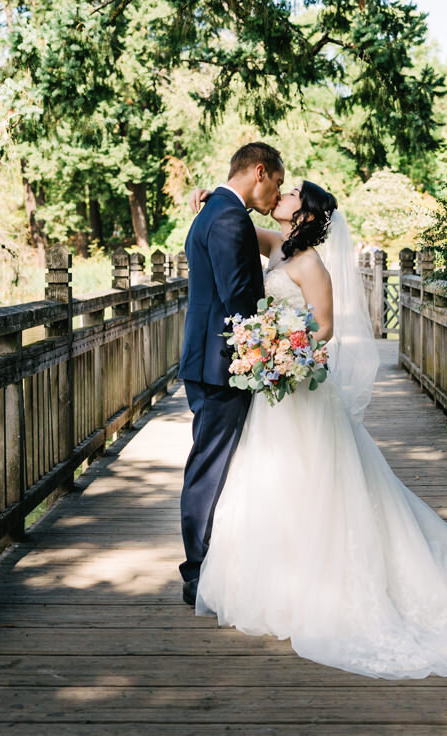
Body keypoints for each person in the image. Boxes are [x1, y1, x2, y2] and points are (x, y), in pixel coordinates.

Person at [186, 178, 447, 678]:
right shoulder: (278, 247)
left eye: (291, 194)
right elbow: (233, 226)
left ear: (304, 214)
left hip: (297, 382)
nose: (280, 197)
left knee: (318, 483)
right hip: (276, 391)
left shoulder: (310, 264)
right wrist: (207, 201)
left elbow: (325, 326)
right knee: (272, 479)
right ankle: (278, 580)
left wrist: (288, 351)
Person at [177, 141, 285, 607]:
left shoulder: (215, 210)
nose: (276, 196)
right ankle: (197, 570)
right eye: (276, 183)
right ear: (259, 171)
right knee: (210, 467)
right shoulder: (227, 217)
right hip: (222, 365)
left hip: (208, 360)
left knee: (215, 463)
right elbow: (239, 295)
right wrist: (270, 349)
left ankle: (214, 561)